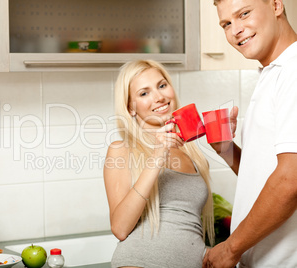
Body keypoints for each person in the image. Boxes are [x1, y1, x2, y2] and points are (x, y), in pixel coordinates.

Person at [203, 0, 297, 267]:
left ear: (277, 5)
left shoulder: (293, 72)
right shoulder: (272, 73)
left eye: (244, 14)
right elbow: (266, 175)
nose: (236, 30)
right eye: (226, 24)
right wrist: (226, 149)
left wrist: (230, 249)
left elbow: (291, 181)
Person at [103, 59, 215, 268]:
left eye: (162, 85)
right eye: (144, 93)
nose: (159, 97)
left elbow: (186, 226)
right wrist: (157, 156)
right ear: (131, 107)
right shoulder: (121, 150)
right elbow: (120, 228)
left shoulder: (192, 152)